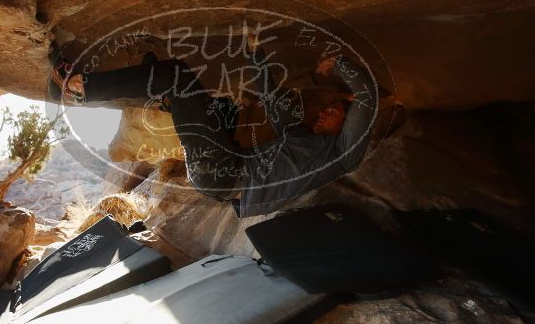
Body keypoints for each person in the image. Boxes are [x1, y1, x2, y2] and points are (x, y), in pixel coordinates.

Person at [49, 36, 377, 218]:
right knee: (223, 107)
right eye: (328, 108)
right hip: (227, 165)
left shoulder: (343, 154)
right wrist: (254, 55)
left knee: (176, 75)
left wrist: (339, 64)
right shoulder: (300, 135)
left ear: (350, 127)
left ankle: (79, 88)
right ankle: (163, 95)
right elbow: (271, 95)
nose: (325, 112)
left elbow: (368, 96)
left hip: (224, 174)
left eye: (335, 112)